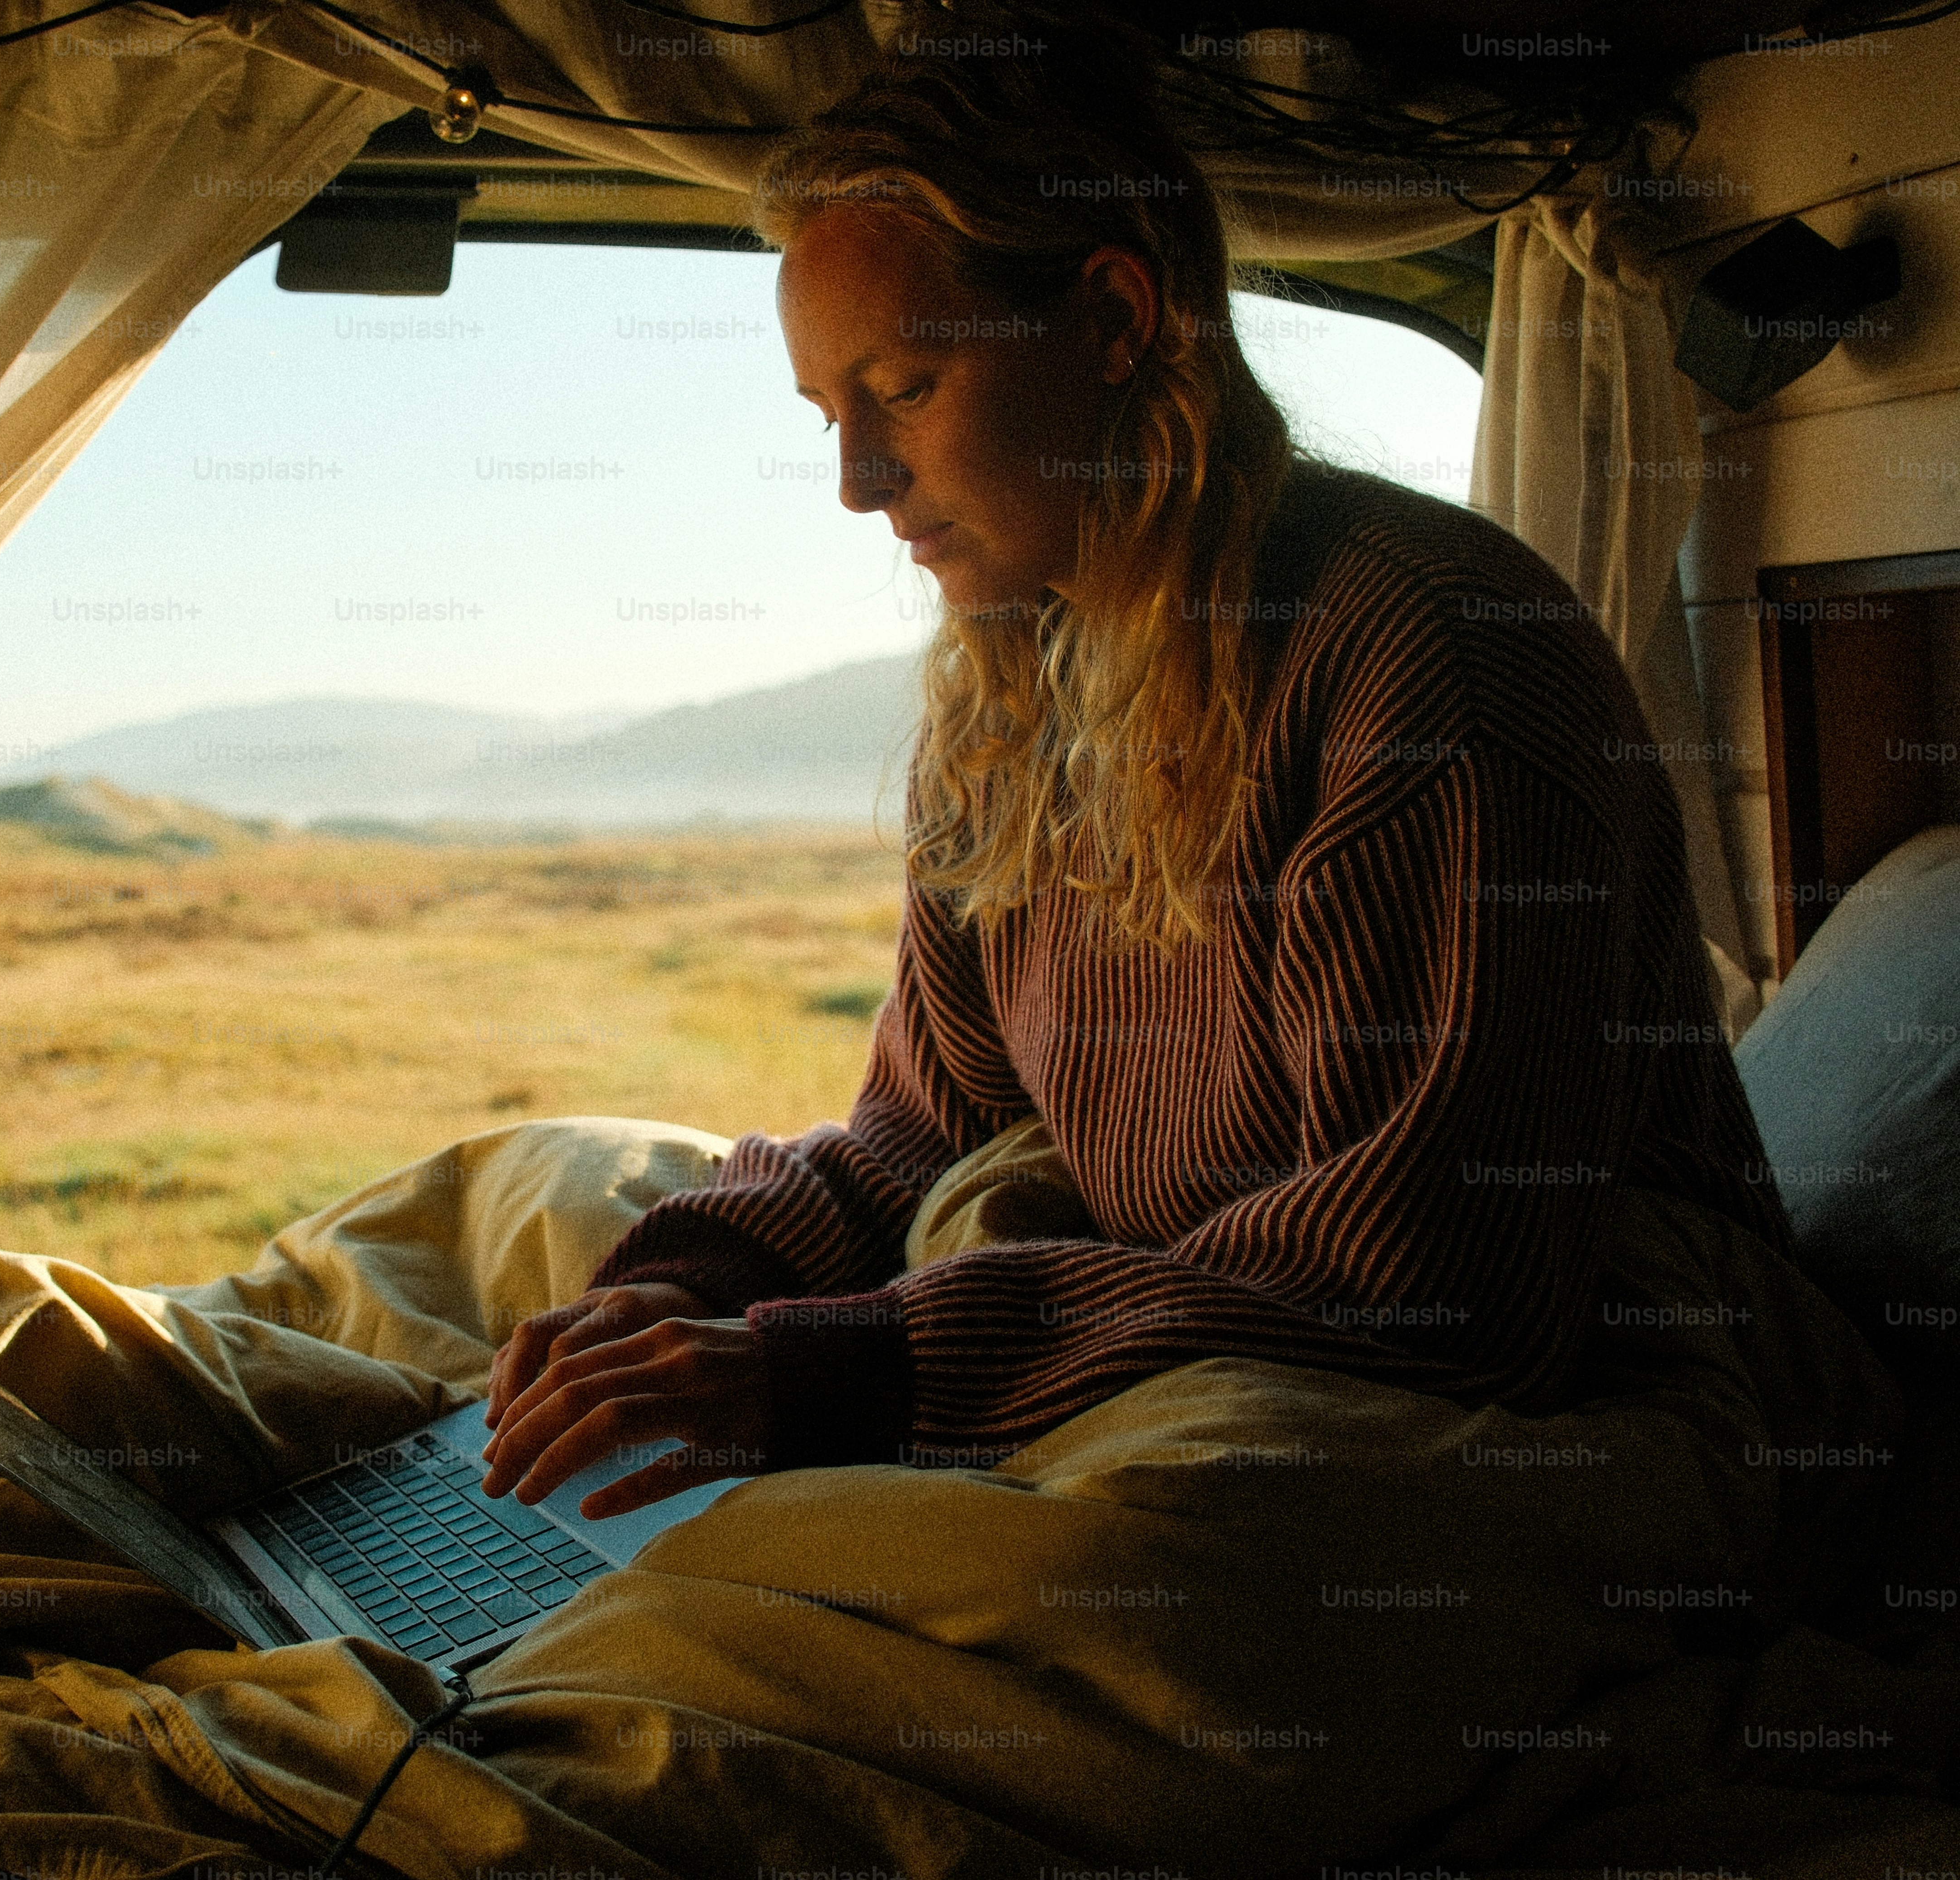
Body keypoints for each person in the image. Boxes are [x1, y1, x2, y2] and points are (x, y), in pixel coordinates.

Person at [478, 19, 1793, 1521]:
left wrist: (843, 1373)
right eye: (828, 416)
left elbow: (1435, 1290)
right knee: (535, 1210)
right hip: (1227, 1333)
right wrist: (694, 1293)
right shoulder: (1013, 702)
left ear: (1111, 318)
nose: (855, 483)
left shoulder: (1427, 651)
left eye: (902, 390)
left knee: (1079, 1564)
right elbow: (925, 1134)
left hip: (1582, 1386)